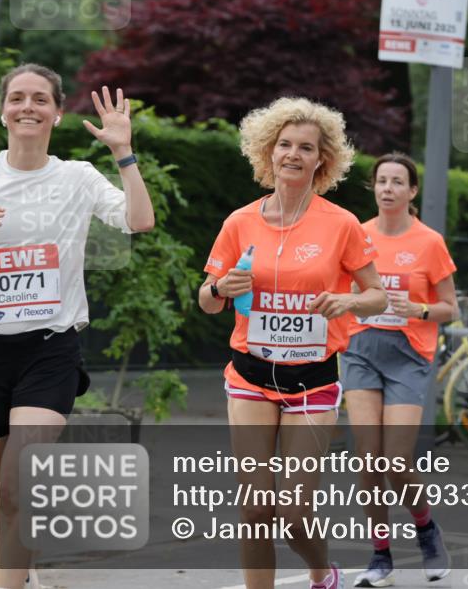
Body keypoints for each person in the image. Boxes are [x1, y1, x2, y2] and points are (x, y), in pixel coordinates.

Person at [198, 97, 387, 589]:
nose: (293, 155)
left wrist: (348, 303)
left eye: (306, 148)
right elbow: (207, 300)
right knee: (256, 505)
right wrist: (219, 288)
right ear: (268, 152)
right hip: (249, 375)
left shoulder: (341, 223)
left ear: (322, 160)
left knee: (294, 509)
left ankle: (321, 571)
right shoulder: (240, 222)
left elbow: (378, 297)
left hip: (312, 380)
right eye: (284, 145)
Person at [0, 64, 154, 589]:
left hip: (49, 350)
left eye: (39, 98)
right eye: (17, 98)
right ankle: (26, 573)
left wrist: (123, 152)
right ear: (2, 110)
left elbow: (138, 220)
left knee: (16, 490)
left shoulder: (76, 176)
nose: (27, 106)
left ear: (57, 111)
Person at [342, 152, 459, 587]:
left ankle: (426, 527)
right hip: (361, 350)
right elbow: (342, 290)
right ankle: (380, 555)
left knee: (396, 460)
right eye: (382, 181)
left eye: (397, 182)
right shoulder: (357, 234)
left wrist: (422, 310)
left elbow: (451, 308)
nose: (388, 188)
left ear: (412, 192)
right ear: (374, 188)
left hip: (408, 355)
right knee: (367, 459)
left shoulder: (429, 242)